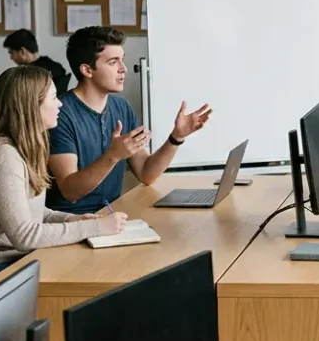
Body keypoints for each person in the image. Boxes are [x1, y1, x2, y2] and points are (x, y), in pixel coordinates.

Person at [0, 66, 127, 310]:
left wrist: (72, 219)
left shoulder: (25, 146)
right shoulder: (1, 155)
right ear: (29, 106)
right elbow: (24, 236)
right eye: (53, 98)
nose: (60, 104)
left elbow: (33, 212)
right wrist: (95, 227)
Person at [47, 26, 213, 215]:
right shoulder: (60, 113)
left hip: (111, 214)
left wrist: (176, 137)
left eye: (122, 60)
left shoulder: (122, 108)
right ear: (87, 70)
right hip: (71, 221)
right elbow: (70, 191)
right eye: (113, 62)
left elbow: (145, 173)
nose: (123, 69)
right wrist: (113, 156)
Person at [3, 29, 69, 90]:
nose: (11, 58)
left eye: (12, 53)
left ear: (22, 51)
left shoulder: (32, 75)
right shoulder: (56, 67)